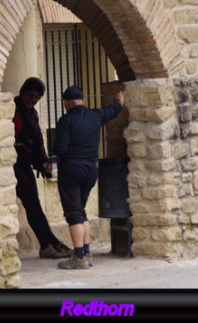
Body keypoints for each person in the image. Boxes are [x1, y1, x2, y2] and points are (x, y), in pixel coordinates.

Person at [52, 85, 124, 269]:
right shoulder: (96, 116)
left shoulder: (66, 121)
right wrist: (119, 102)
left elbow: (60, 148)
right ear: (83, 101)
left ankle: (78, 257)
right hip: (91, 170)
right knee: (81, 211)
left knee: (74, 213)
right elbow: (113, 110)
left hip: (71, 170)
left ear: (66, 103)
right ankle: (86, 252)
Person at [12, 77, 73, 259]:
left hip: (25, 165)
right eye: (30, 95)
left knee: (34, 206)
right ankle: (50, 243)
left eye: (37, 97)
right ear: (23, 92)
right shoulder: (13, 110)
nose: (33, 99)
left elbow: (37, 140)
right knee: (33, 206)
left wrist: (44, 161)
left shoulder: (33, 114)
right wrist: (36, 162)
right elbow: (16, 144)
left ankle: (48, 244)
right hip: (14, 165)